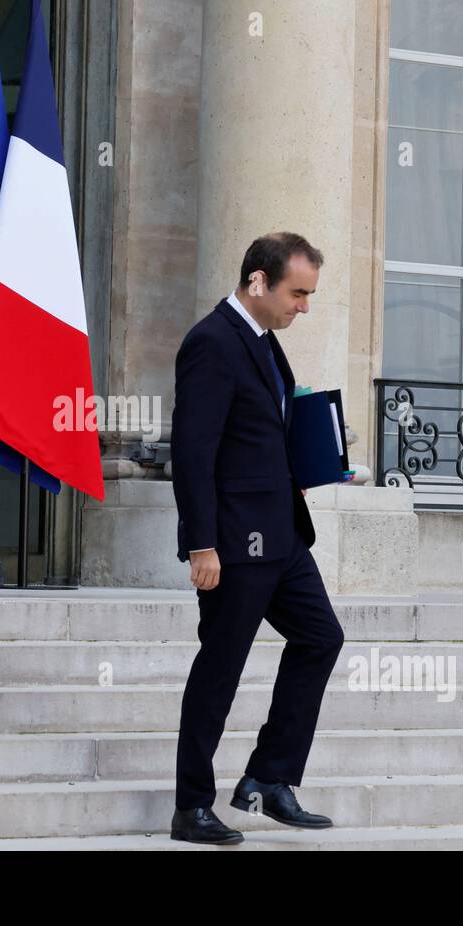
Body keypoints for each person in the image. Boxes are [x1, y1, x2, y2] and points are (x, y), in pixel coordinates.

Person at [169, 231, 346, 844]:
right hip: (231, 545)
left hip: (282, 537)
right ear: (257, 281)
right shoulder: (212, 343)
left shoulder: (265, 344)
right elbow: (193, 454)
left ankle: (268, 780)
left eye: (309, 294)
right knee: (220, 668)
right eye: (298, 292)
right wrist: (201, 545)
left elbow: (268, 433)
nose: (305, 306)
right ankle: (191, 806)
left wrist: (325, 460)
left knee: (322, 637)